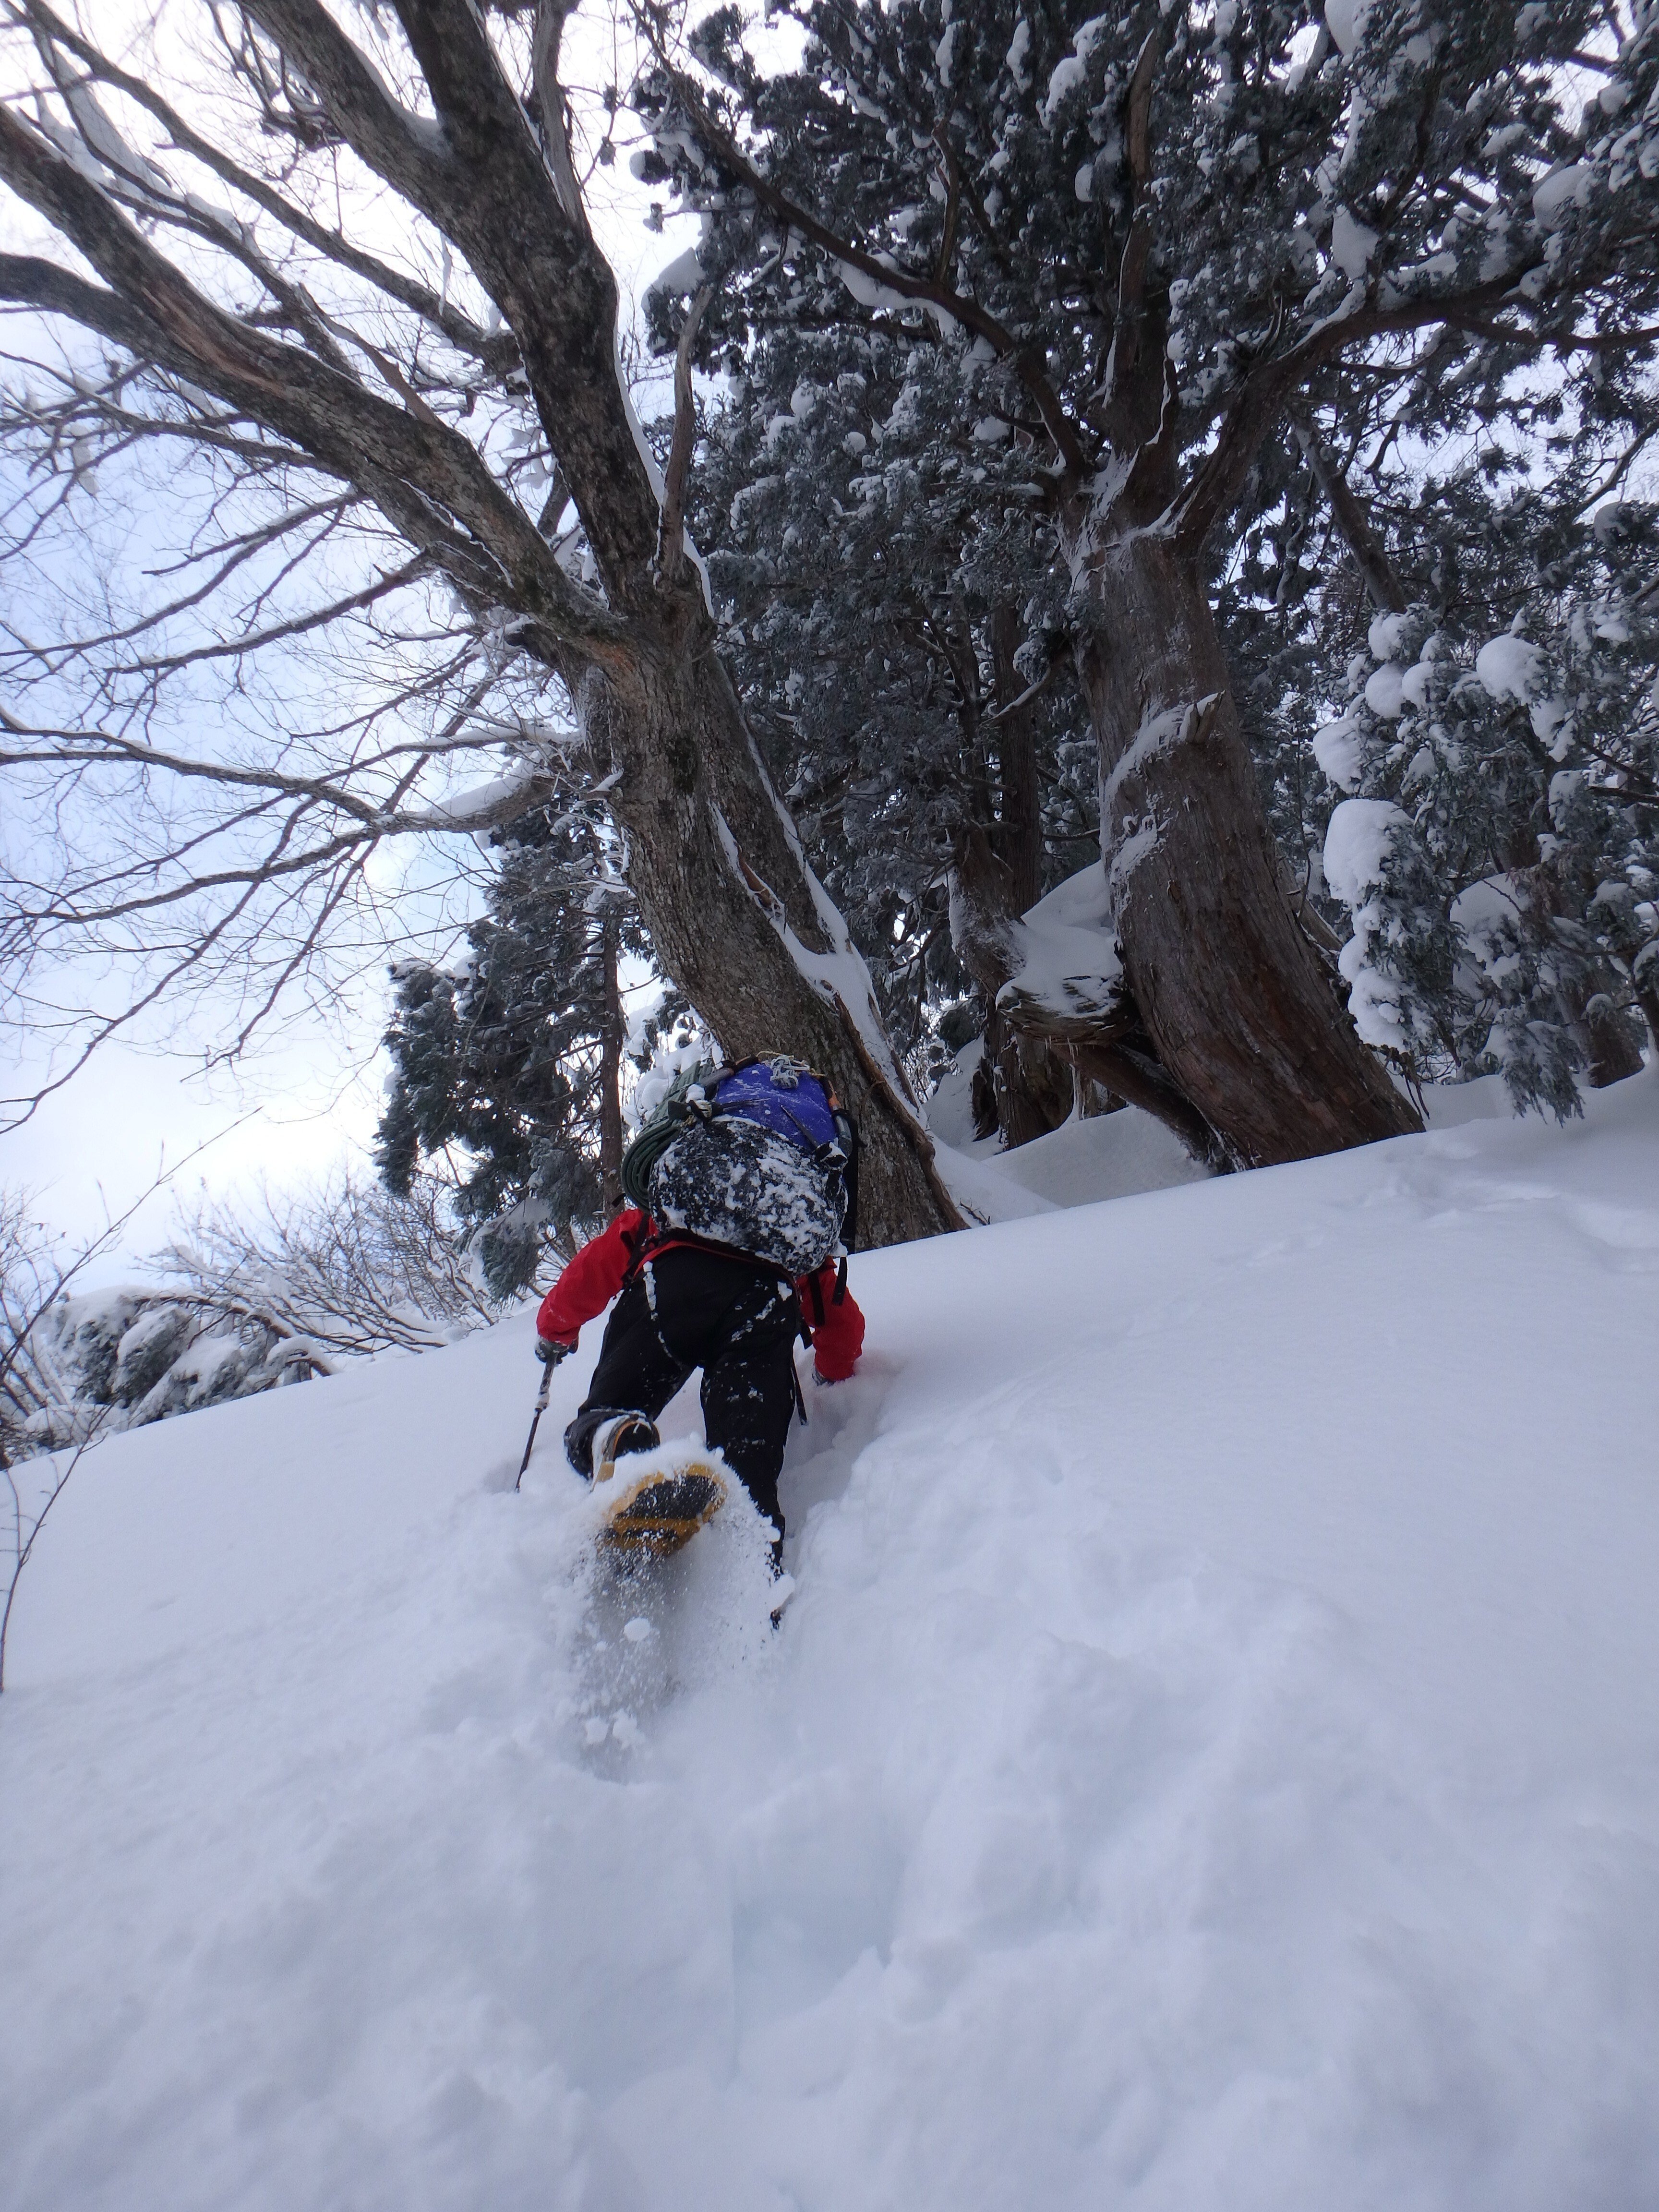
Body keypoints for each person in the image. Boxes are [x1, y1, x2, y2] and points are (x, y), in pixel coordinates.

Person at [534, 1200, 864, 1563]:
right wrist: (832, 1372)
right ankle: (751, 1562)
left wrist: (555, 1329)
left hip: (671, 1285)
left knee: (611, 1409)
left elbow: (597, 1265)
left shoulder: (677, 1199)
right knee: (748, 1456)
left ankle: (615, 1438)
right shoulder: (786, 1219)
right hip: (762, 1302)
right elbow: (841, 1322)